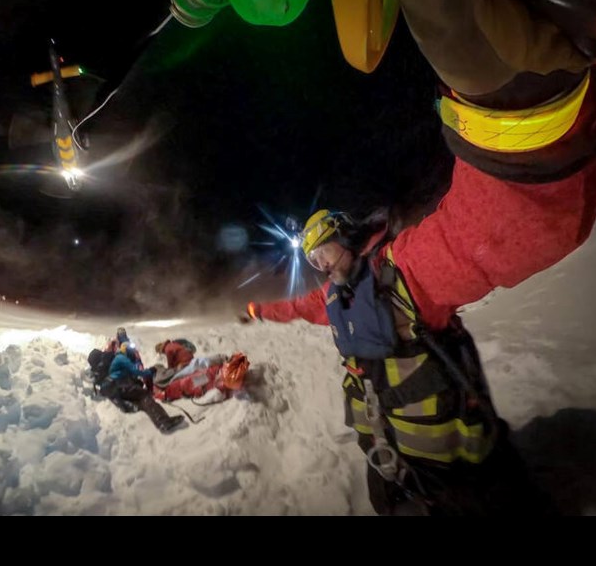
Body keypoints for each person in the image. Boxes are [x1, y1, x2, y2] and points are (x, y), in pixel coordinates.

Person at [241, 207, 564, 515]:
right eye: (312, 260)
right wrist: (258, 311)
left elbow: (488, 233)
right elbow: (296, 307)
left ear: (348, 237)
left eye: (323, 251)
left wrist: (524, 164)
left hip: (454, 460)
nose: (321, 264)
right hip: (389, 447)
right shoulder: (334, 296)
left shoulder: (407, 267)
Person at [101, 342, 185, 434]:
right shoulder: (121, 359)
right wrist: (151, 371)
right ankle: (163, 422)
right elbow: (137, 372)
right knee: (145, 396)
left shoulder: (115, 360)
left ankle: (161, 420)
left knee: (142, 400)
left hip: (116, 387)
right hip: (121, 385)